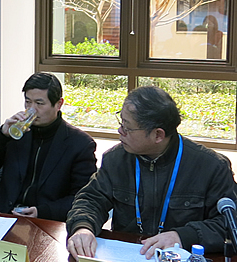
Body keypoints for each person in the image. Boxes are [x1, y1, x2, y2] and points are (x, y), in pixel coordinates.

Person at [66, 86, 237, 260]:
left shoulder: (211, 167)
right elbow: (91, 200)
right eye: (121, 122)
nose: (120, 131)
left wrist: (183, 236)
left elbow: (230, 224)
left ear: (158, 135)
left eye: (127, 127)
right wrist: (83, 227)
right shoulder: (116, 159)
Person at [0, 72, 97, 221]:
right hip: (4, 215)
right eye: (28, 102)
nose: (32, 109)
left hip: (46, 221)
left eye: (39, 103)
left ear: (59, 104)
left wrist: (42, 212)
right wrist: (1, 136)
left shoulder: (80, 144)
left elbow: (82, 198)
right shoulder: (16, 134)